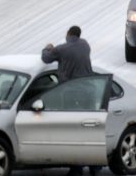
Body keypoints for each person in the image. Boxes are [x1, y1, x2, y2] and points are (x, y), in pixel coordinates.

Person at [41, 26, 100, 176]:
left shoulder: (62, 49)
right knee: (89, 131)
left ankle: (77, 168)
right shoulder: (85, 45)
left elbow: (46, 58)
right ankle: (95, 166)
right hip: (89, 93)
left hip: (72, 94)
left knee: (74, 131)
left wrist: (47, 48)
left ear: (68, 34)